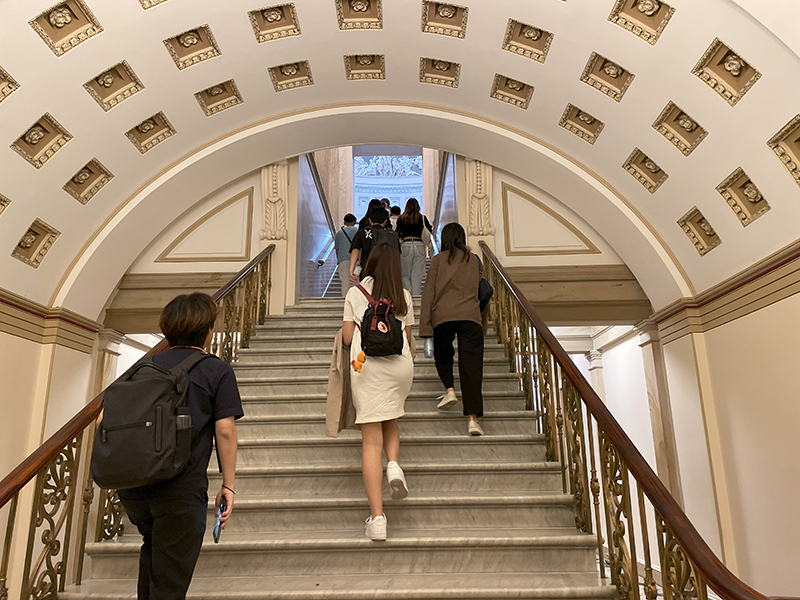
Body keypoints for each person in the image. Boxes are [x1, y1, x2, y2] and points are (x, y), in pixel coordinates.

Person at [117, 292, 243, 600]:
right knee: (170, 584)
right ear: (208, 331)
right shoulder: (216, 370)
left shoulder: (141, 368)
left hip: (135, 487)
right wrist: (229, 485)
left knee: (154, 558)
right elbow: (225, 432)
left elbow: (106, 420)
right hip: (180, 488)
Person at [342, 243, 415, 540]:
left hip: (366, 366)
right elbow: (407, 339)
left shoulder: (356, 293)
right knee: (392, 417)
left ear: (370, 263)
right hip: (400, 368)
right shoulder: (404, 295)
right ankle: (394, 465)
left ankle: (377, 518)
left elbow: (348, 337)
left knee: (371, 441)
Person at [419, 223, 485, 436]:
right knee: (471, 367)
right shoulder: (474, 260)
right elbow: (481, 288)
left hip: (443, 316)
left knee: (443, 355)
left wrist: (425, 326)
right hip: (471, 317)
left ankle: (449, 390)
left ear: (445, 239)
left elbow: (429, 292)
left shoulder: (438, 260)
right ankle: (472, 420)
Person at [349, 206, 401, 285]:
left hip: (367, 269)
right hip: (386, 270)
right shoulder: (392, 234)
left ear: (369, 220)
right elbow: (396, 254)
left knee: (367, 293)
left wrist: (351, 269)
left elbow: (355, 249)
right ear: (385, 221)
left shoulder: (363, 232)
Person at [395, 198, 433, 296]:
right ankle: (416, 298)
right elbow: (430, 230)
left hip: (406, 245)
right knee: (417, 276)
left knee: (405, 275)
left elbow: (397, 233)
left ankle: (408, 296)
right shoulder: (422, 218)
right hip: (419, 245)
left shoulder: (401, 218)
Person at [334, 213, 358, 297]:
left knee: (345, 282)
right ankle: (355, 300)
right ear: (355, 222)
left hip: (343, 259)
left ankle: (344, 301)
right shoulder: (358, 231)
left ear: (344, 222)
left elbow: (337, 249)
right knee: (355, 282)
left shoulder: (339, 233)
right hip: (356, 260)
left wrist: (339, 260)